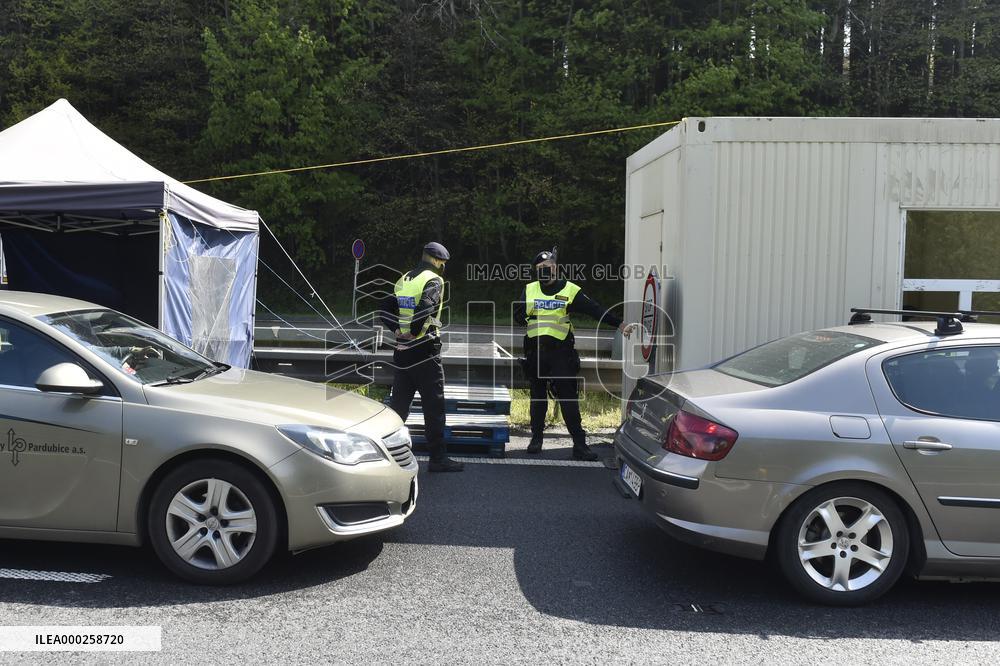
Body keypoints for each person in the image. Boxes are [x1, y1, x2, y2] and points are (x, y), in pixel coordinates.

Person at [514, 248, 635, 460]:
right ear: (536, 271)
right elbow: (517, 316)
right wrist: (523, 312)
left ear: (556, 268)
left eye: (548, 267)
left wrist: (619, 324)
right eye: (540, 269)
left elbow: (595, 309)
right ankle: (536, 439)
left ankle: (580, 445)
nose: (544, 271)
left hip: (561, 354)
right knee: (538, 398)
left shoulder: (570, 290)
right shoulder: (529, 289)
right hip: (535, 354)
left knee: (569, 399)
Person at [380, 241, 463, 473]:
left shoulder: (404, 278)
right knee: (433, 406)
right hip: (425, 351)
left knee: (399, 406)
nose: (443, 267)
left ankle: (384, 453)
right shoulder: (433, 279)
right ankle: (438, 458)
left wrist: (398, 331)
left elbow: (385, 306)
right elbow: (426, 308)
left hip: (402, 352)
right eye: (443, 263)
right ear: (438, 261)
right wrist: (414, 332)